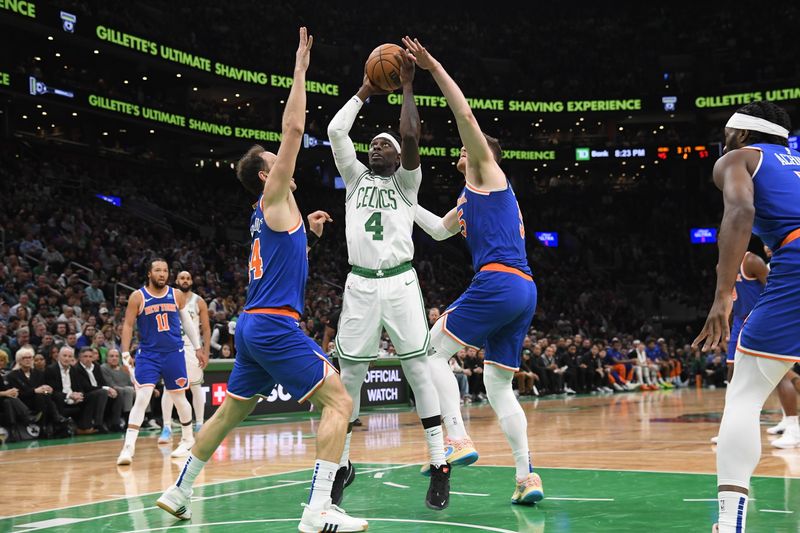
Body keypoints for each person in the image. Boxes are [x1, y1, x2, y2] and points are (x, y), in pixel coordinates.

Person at [156, 29, 368, 532]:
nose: (283, 162)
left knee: (228, 415)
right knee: (339, 401)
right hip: (274, 326)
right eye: (274, 164)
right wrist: (299, 68)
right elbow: (293, 129)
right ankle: (318, 510)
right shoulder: (273, 198)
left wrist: (309, 235)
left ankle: (178, 489)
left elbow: (280, 262)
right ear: (264, 176)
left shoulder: (278, 212)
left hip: (255, 326)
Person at [404, 36, 543, 505]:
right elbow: (441, 232)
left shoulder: (487, 173)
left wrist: (433, 67)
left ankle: (456, 437)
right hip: (522, 289)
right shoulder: (470, 198)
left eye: (465, 151)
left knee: (427, 352)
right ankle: (527, 476)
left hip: (500, 280)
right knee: (498, 384)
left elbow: (464, 115)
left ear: (483, 153)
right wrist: (405, 203)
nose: (458, 156)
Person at [326, 47, 448, 510]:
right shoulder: (355, 179)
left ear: (399, 159)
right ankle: (342, 464)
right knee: (351, 377)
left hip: (399, 283)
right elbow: (337, 130)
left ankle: (439, 464)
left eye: (385, 145)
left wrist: (409, 84)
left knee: (417, 369)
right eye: (373, 144)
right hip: (359, 285)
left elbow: (411, 134)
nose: (377, 146)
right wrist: (364, 90)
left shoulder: (407, 186)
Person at [692, 101, 799, 533]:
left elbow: (740, 211)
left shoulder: (737, 159)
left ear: (740, 134)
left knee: (744, 397)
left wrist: (722, 294)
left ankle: (729, 523)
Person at [115, 257, 206, 465]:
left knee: (180, 398)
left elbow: (188, 324)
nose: (162, 274)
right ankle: (128, 448)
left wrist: (198, 347)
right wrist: (125, 352)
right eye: (158, 270)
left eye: (165, 270)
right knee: (142, 397)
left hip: (174, 353)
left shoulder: (176, 295)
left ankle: (187, 438)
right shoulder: (138, 297)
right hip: (148, 355)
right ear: (149, 273)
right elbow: (128, 326)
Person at [710, 248, 767, 443]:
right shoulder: (721, 267)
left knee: (776, 374)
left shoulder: (751, 261)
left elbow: (774, 288)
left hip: (758, 319)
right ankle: (728, 429)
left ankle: (791, 421)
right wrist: (725, 322)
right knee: (731, 370)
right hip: (738, 321)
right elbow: (726, 297)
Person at [159, 271, 211, 443]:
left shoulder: (199, 301)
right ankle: (166, 427)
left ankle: (199, 424)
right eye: (182, 278)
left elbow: (206, 329)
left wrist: (206, 350)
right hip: (172, 348)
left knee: (196, 387)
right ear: (177, 280)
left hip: (191, 348)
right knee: (169, 389)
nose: (185, 280)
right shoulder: (168, 297)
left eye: (188, 278)